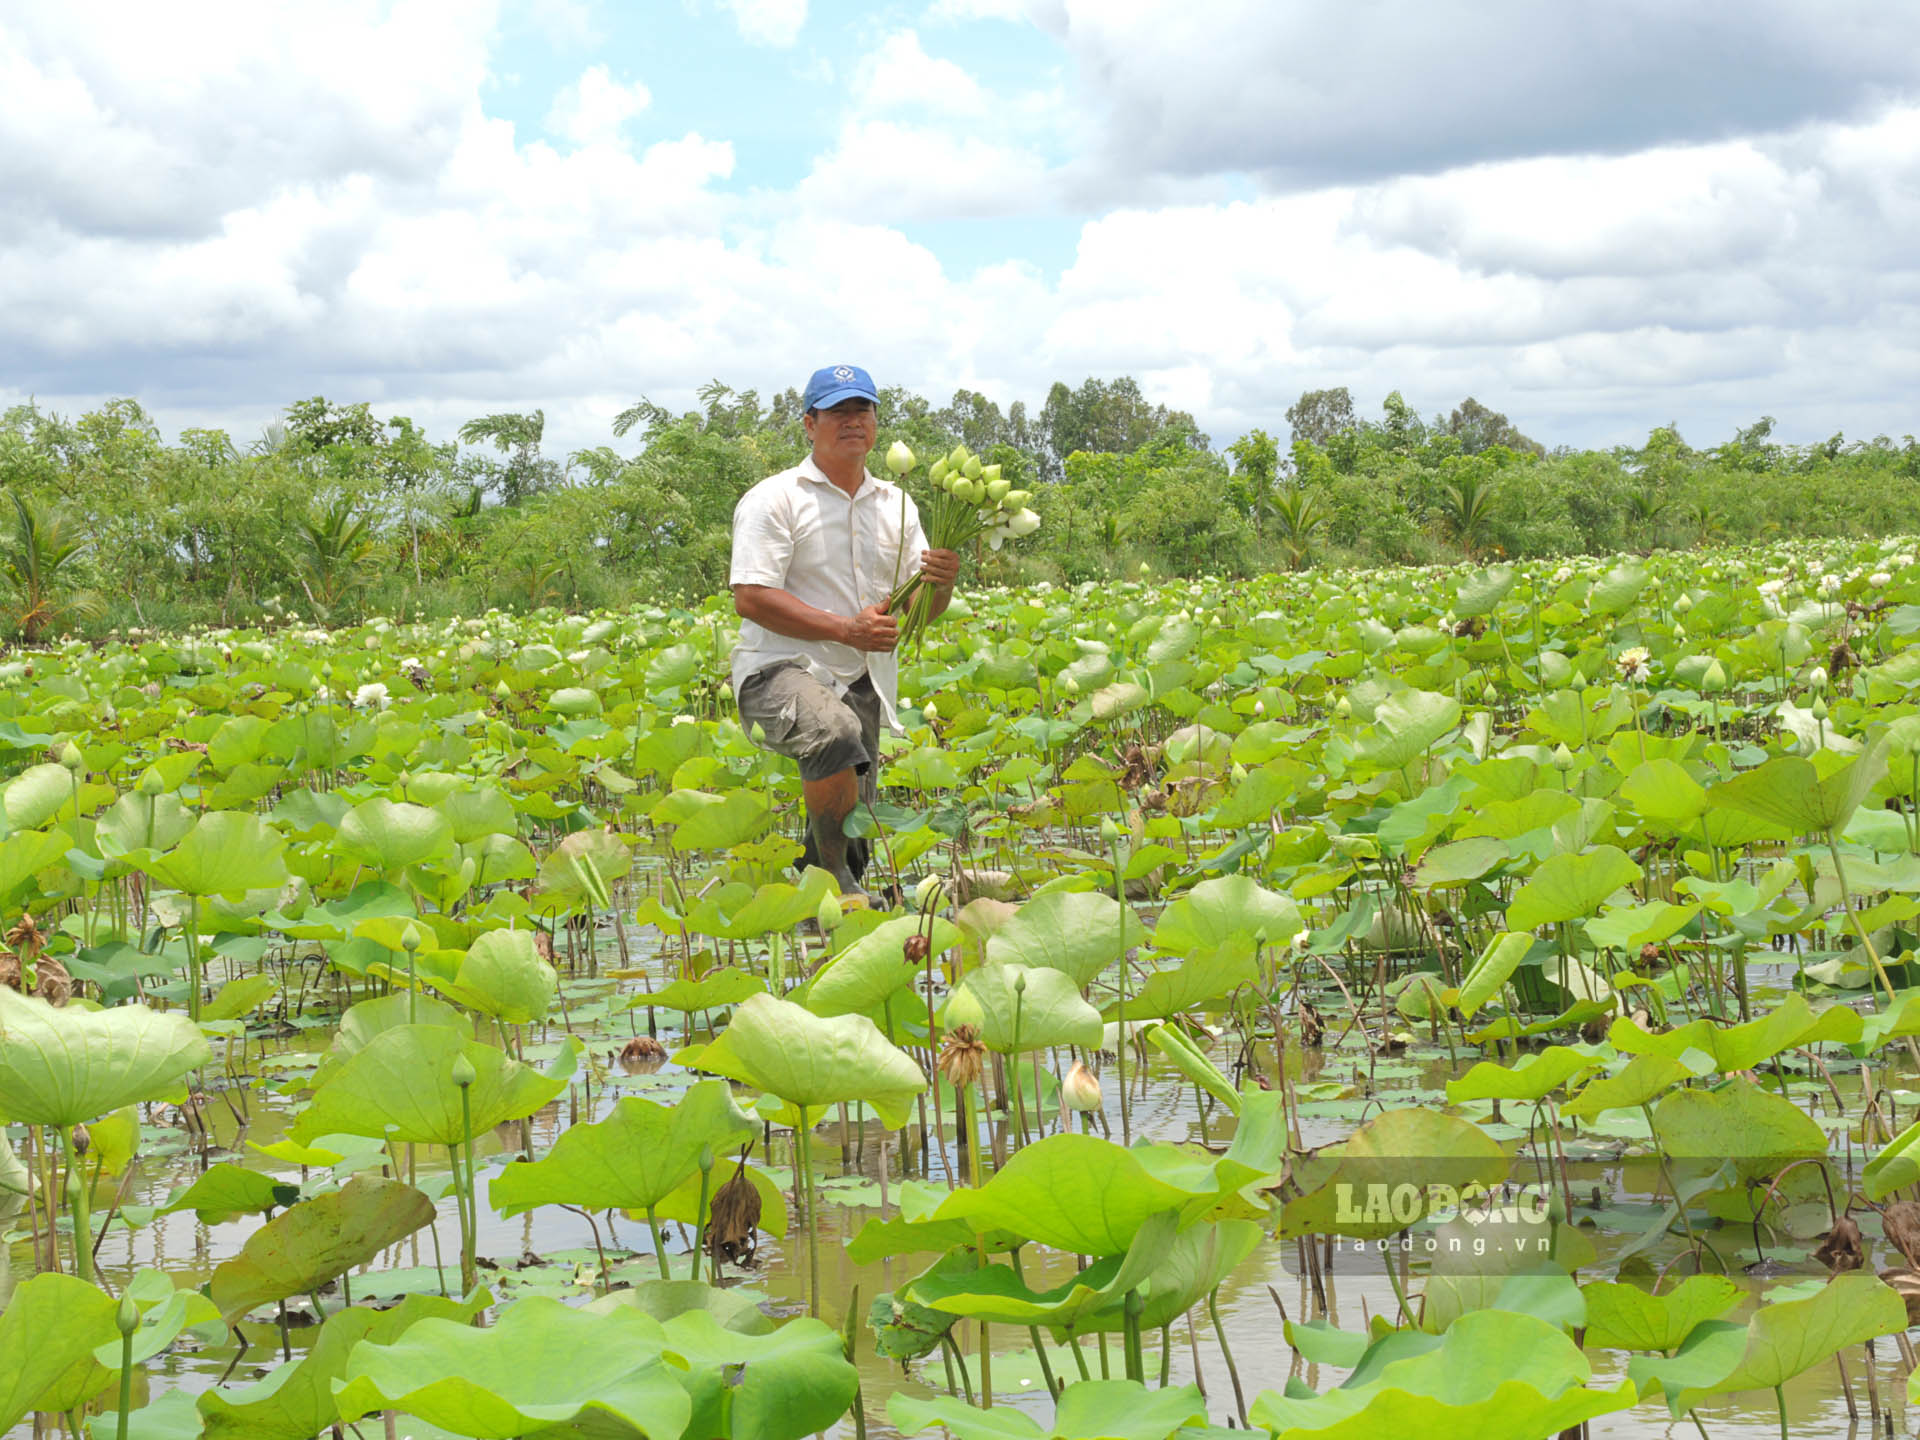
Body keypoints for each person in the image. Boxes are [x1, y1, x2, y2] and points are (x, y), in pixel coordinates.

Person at [729, 364, 961, 901]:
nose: (853, 420)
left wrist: (943, 583)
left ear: (876, 424)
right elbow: (751, 596)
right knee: (833, 733)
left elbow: (921, 610)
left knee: (855, 821)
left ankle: (819, 894)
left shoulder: (898, 507)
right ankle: (833, 885)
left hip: (861, 675)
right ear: (810, 424)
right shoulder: (775, 498)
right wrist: (845, 628)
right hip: (779, 667)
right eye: (838, 411)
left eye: (863, 410)